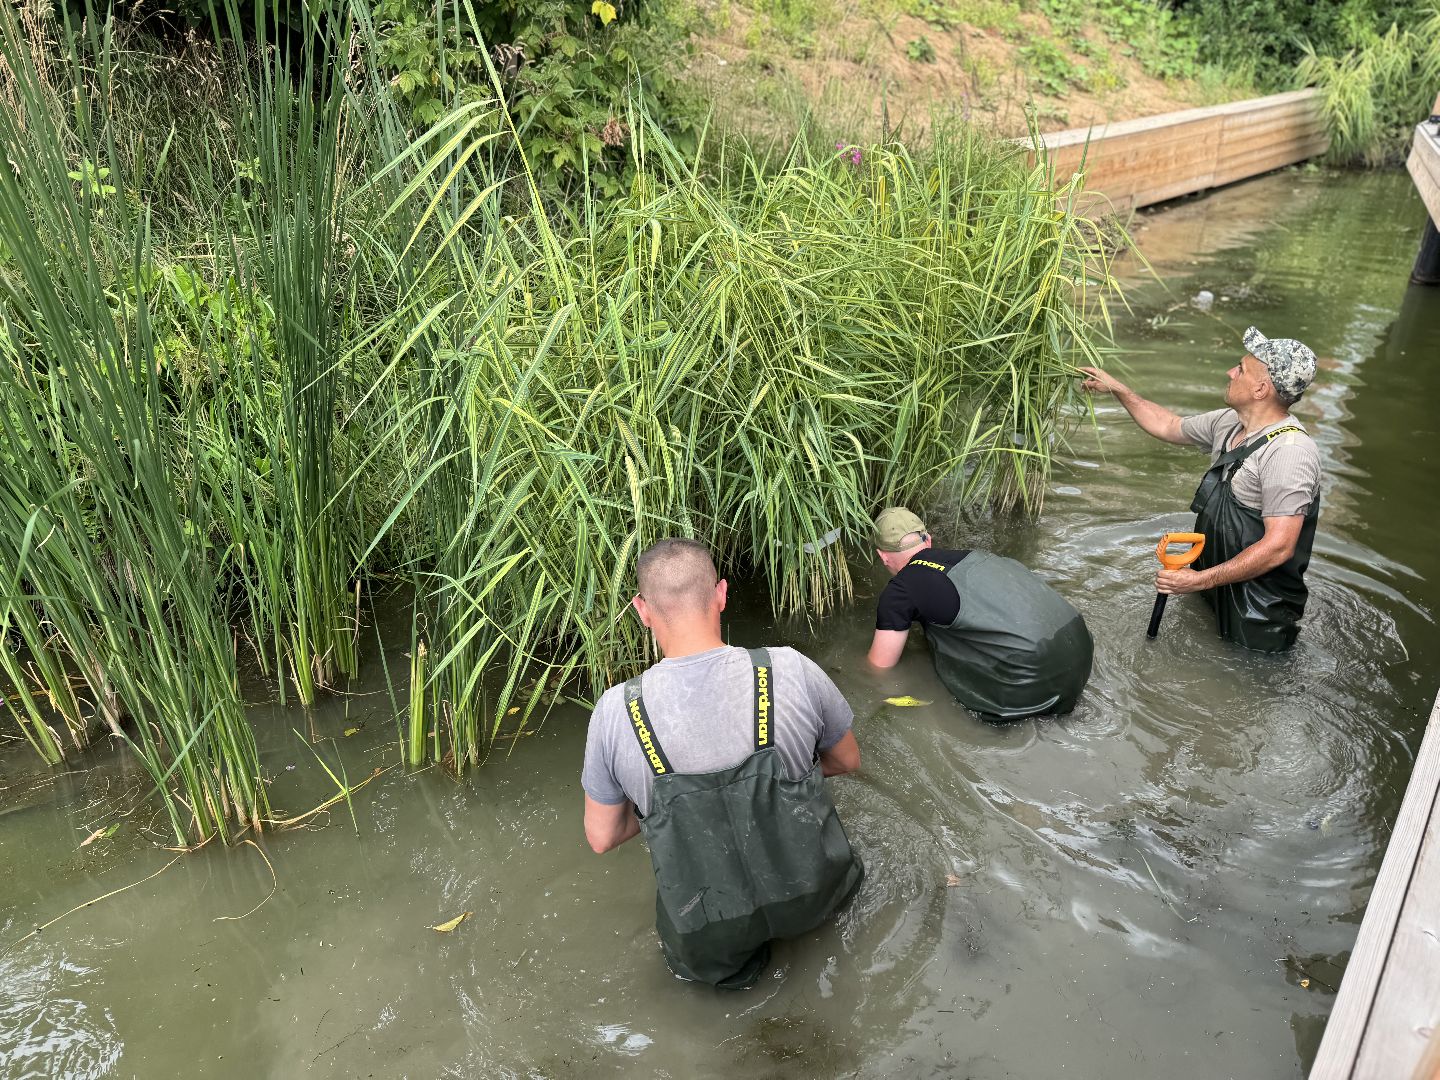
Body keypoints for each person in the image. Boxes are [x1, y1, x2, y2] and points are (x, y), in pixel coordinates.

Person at [581, 538, 863, 990]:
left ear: (642, 609)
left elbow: (602, 836)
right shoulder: (789, 669)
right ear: (722, 594)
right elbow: (847, 760)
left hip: (710, 931)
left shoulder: (616, 712)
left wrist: (655, 807)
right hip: (815, 893)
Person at [1079, 325, 1321, 653]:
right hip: (1215, 583)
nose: (1230, 372)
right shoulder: (1229, 423)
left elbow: (1279, 546)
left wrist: (1196, 580)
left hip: (1259, 608)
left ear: (1261, 388)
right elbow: (1168, 425)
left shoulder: (1289, 451)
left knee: (1252, 684)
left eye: (1241, 368)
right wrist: (1120, 390)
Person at [866, 508, 1093, 720]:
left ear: (883, 556)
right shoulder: (976, 556)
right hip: (1080, 649)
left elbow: (880, 668)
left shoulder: (900, 590)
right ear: (928, 539)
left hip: (1029, 684)